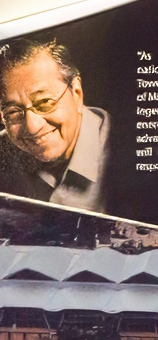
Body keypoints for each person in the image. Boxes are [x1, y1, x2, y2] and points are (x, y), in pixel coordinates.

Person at [0, 37, 110, 213]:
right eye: (13, 112)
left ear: (77, 93)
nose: (33, 127)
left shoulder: (125, 151)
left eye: (44, 102)